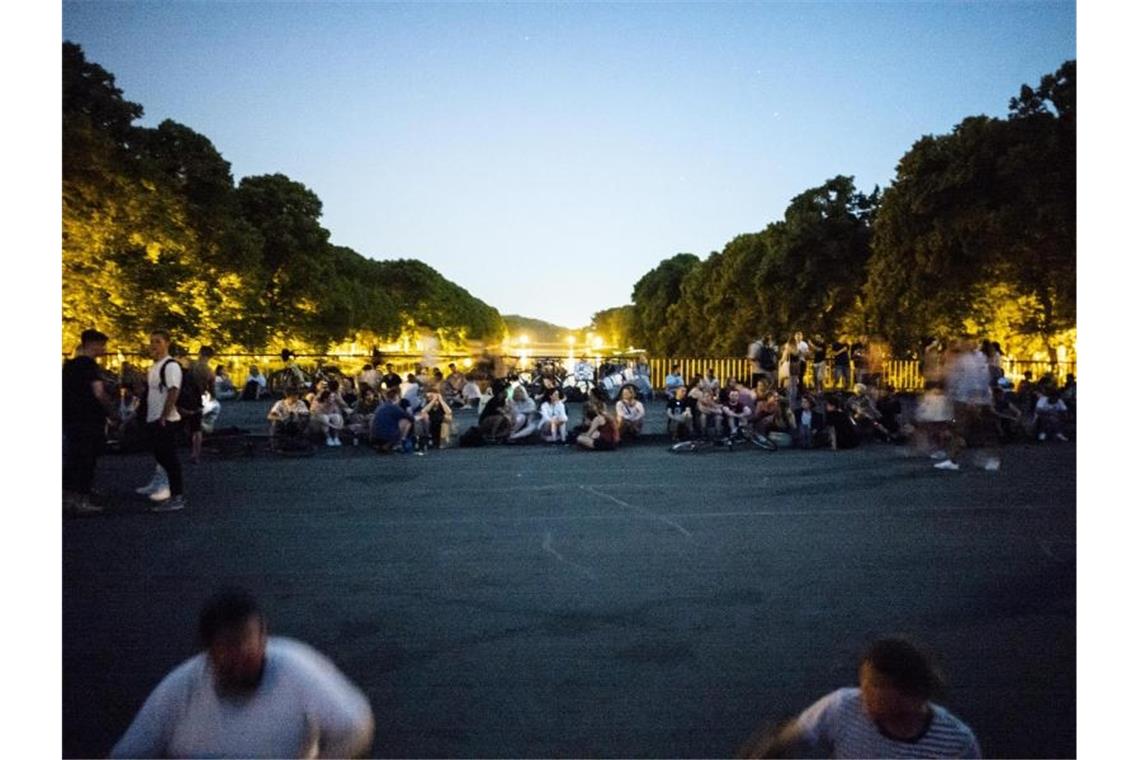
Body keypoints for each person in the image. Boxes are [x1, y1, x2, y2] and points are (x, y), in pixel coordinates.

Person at [110, 589, 374, 759]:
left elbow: (355, 727)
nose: (239, 667)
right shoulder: (182, 686)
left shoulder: (295, 667)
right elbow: (129, 753)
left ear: (263, 641)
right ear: (207, 652)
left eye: (248, 656)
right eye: (227, 657)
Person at [755, 637, 980, 758]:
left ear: (908, 694)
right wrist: (775, 747)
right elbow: (795, 735)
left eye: (874, 686)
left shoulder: (956, 742)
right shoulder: (843, 706)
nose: (863, 693)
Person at [63, 329, 117, 515]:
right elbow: (99, 393)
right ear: (93, 344)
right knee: (87, 459)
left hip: (71, 418)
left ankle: (68, 497)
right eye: (102, 345)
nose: (103, 349)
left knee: (73, 458)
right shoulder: (90, 366)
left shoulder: (69, 366)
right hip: (89, 418)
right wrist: (112, 412)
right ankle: (82, 500)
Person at [137, 330, 186, 511]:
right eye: (152, 341)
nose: (154, 345)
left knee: (169, 458)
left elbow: (174, 390)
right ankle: (171, 493)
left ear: (167, 343)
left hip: (165, 419)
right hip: (155, 417)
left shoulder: (171, 366)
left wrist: (164, 415)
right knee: (162, 457)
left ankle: (177, 496)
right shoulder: (155, 367)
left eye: (158, 342)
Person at [370, 387, 415, 452]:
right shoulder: (395, 407)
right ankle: (389, 446)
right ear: (395, 397)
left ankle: (380, 445)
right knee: (405, 422)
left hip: (374, 435)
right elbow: (409, 417)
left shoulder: (381, 406)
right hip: (387, 435)